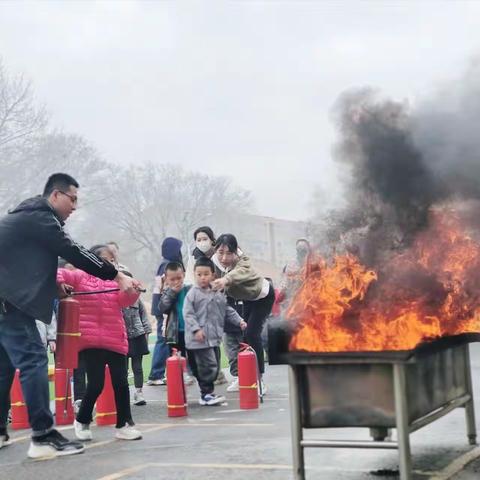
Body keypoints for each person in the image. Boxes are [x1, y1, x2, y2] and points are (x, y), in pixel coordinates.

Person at [0, 173, 139, 458]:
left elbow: (19, 264)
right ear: (55, 195)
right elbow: (73, 251)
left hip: (5, 298)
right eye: (72, 199)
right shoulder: (40, 217)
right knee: (33, 359)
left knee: (4, 368)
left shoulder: (27, 219)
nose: (75, 206)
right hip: (8, 302)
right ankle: (42, 436)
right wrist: (116, 275)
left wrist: (53, 286)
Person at [57, 244, 143, 442]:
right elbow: (57, 273)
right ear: (94, 261)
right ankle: (82, 420)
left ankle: (124, 424)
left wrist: (134, 291)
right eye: (107, 260)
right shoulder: (79, 276)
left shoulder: (116, 281)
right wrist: (62, 285)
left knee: (121, 383)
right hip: (91, 340)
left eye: (113, 261)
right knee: (96, 385)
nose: (112, 264)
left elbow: (124, 301)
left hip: (115, 338)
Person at [211, 234, 275, 394]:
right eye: (221, 252)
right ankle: (243, 376)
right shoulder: (213, 259)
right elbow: (199, 265)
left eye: (229, 253)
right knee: (243, 336)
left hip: (262, 297)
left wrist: (225, 280)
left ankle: (259, 380)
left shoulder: (243, 261)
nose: (224, 258)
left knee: (252, 334)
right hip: (244, 299)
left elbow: (239, 272)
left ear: (236, 251)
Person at [183, 257, 246, 405]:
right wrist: (196, 329)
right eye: (199, 274)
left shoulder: (216, 293)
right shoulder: (193, 293)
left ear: (213, 275)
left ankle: (207, 393)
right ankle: (206, 394)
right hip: (197, 339)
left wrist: (239, 320)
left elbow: (227, 310)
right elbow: (188, 313)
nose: (202, 277)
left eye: (206, 274)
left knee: (213, 366)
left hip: (212, 338)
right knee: (208, 366)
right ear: (194, 275)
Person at [185, 226, 228, 385]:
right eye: (198, 239)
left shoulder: (220, 255)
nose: (202, 242)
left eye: (205, 239)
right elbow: (190, 278)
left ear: (212, 239)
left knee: (215, 339)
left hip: (218, 298)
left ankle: (216, 372)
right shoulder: (194, 258)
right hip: (201, 301)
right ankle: (209, 373)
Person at [147, 237, 183, 386]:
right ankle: (156, 374)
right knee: (163, 339)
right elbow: (166, 288)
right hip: (164, 307)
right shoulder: (167, 265)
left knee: (166, 339)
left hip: (160, 305)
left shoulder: (164, 263)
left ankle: (162, 372)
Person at [121, 272, 152, 406]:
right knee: (123, 368)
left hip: (138, 335)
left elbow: (144, 316)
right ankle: (123, 393)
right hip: (122, 337)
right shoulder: (116, 298)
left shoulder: (137, 300)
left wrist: (147, 332)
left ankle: (139, 392)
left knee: (137, 367)